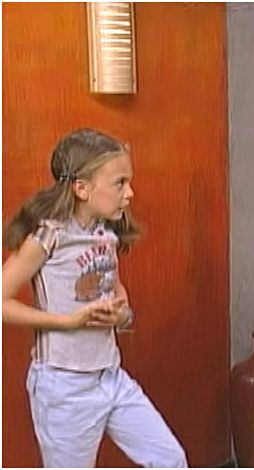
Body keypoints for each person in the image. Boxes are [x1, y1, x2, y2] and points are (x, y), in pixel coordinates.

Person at [2, 129, 188, 467]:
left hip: (110, 377)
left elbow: (115, 288)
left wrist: (122, 315)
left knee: (170, 459)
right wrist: (66, 322)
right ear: (81, 188)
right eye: (120, 183)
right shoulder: (49, 235)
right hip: (64, 387)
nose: (130, 193)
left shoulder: (106, 232)